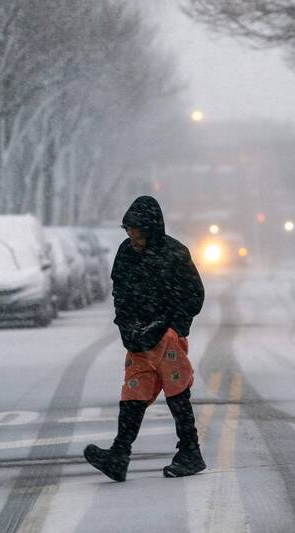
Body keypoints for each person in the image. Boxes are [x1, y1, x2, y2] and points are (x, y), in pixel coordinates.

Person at [84, 195, 206, 481]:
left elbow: (194, 295)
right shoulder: (125, 254)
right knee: (134, 394)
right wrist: (126, 328)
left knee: (177, 393)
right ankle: (119, 454)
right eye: (130, 234)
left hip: (167, 337)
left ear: (151, 230)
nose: (134, 241)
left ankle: (190, 451)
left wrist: (175, 328)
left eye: (138, 235)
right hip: (138, 338)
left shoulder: (175, 253)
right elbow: (121, 295)